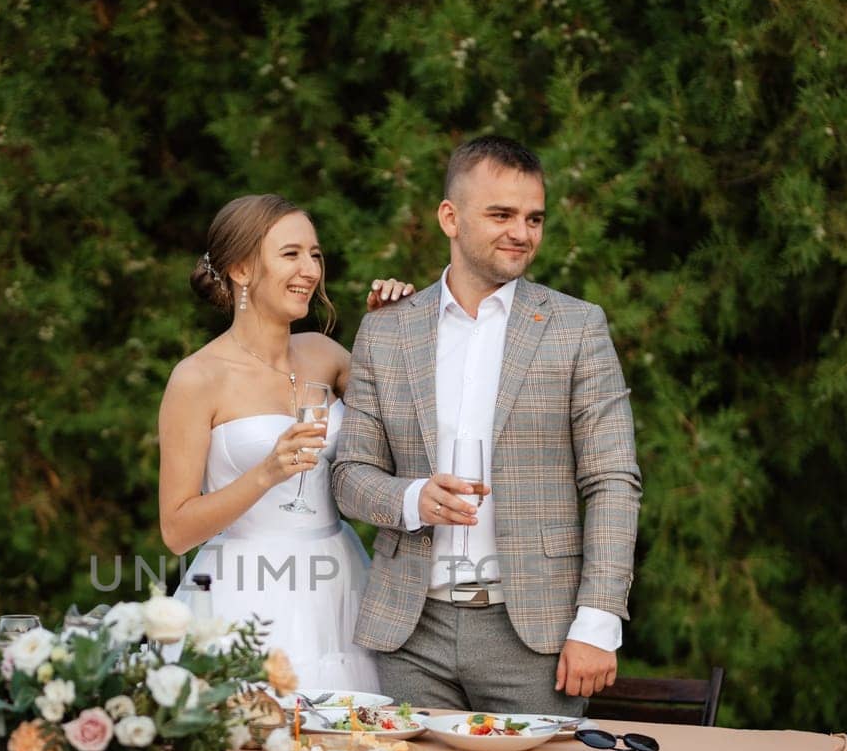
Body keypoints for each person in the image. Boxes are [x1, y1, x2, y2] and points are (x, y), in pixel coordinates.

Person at [332, 135, 641, 715]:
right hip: (408, 634)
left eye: (534, 218)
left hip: (535, 637)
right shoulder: (387, 330)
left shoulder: (577, 327)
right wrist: (411, 497)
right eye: (501, 214)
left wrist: (598, 619)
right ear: (450, 217)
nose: (521, 233)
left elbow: (613, 480)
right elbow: (350, 473)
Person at [158, 193, 412, 694]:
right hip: (245, 589)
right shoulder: (196, 378)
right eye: (290, 254)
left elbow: (411, 424)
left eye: (315, 254)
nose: (310, 269)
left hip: (338, 580)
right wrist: (266, 473)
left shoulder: (324, 354)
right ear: (241, 269)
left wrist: (396, 329)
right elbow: (176, 530)